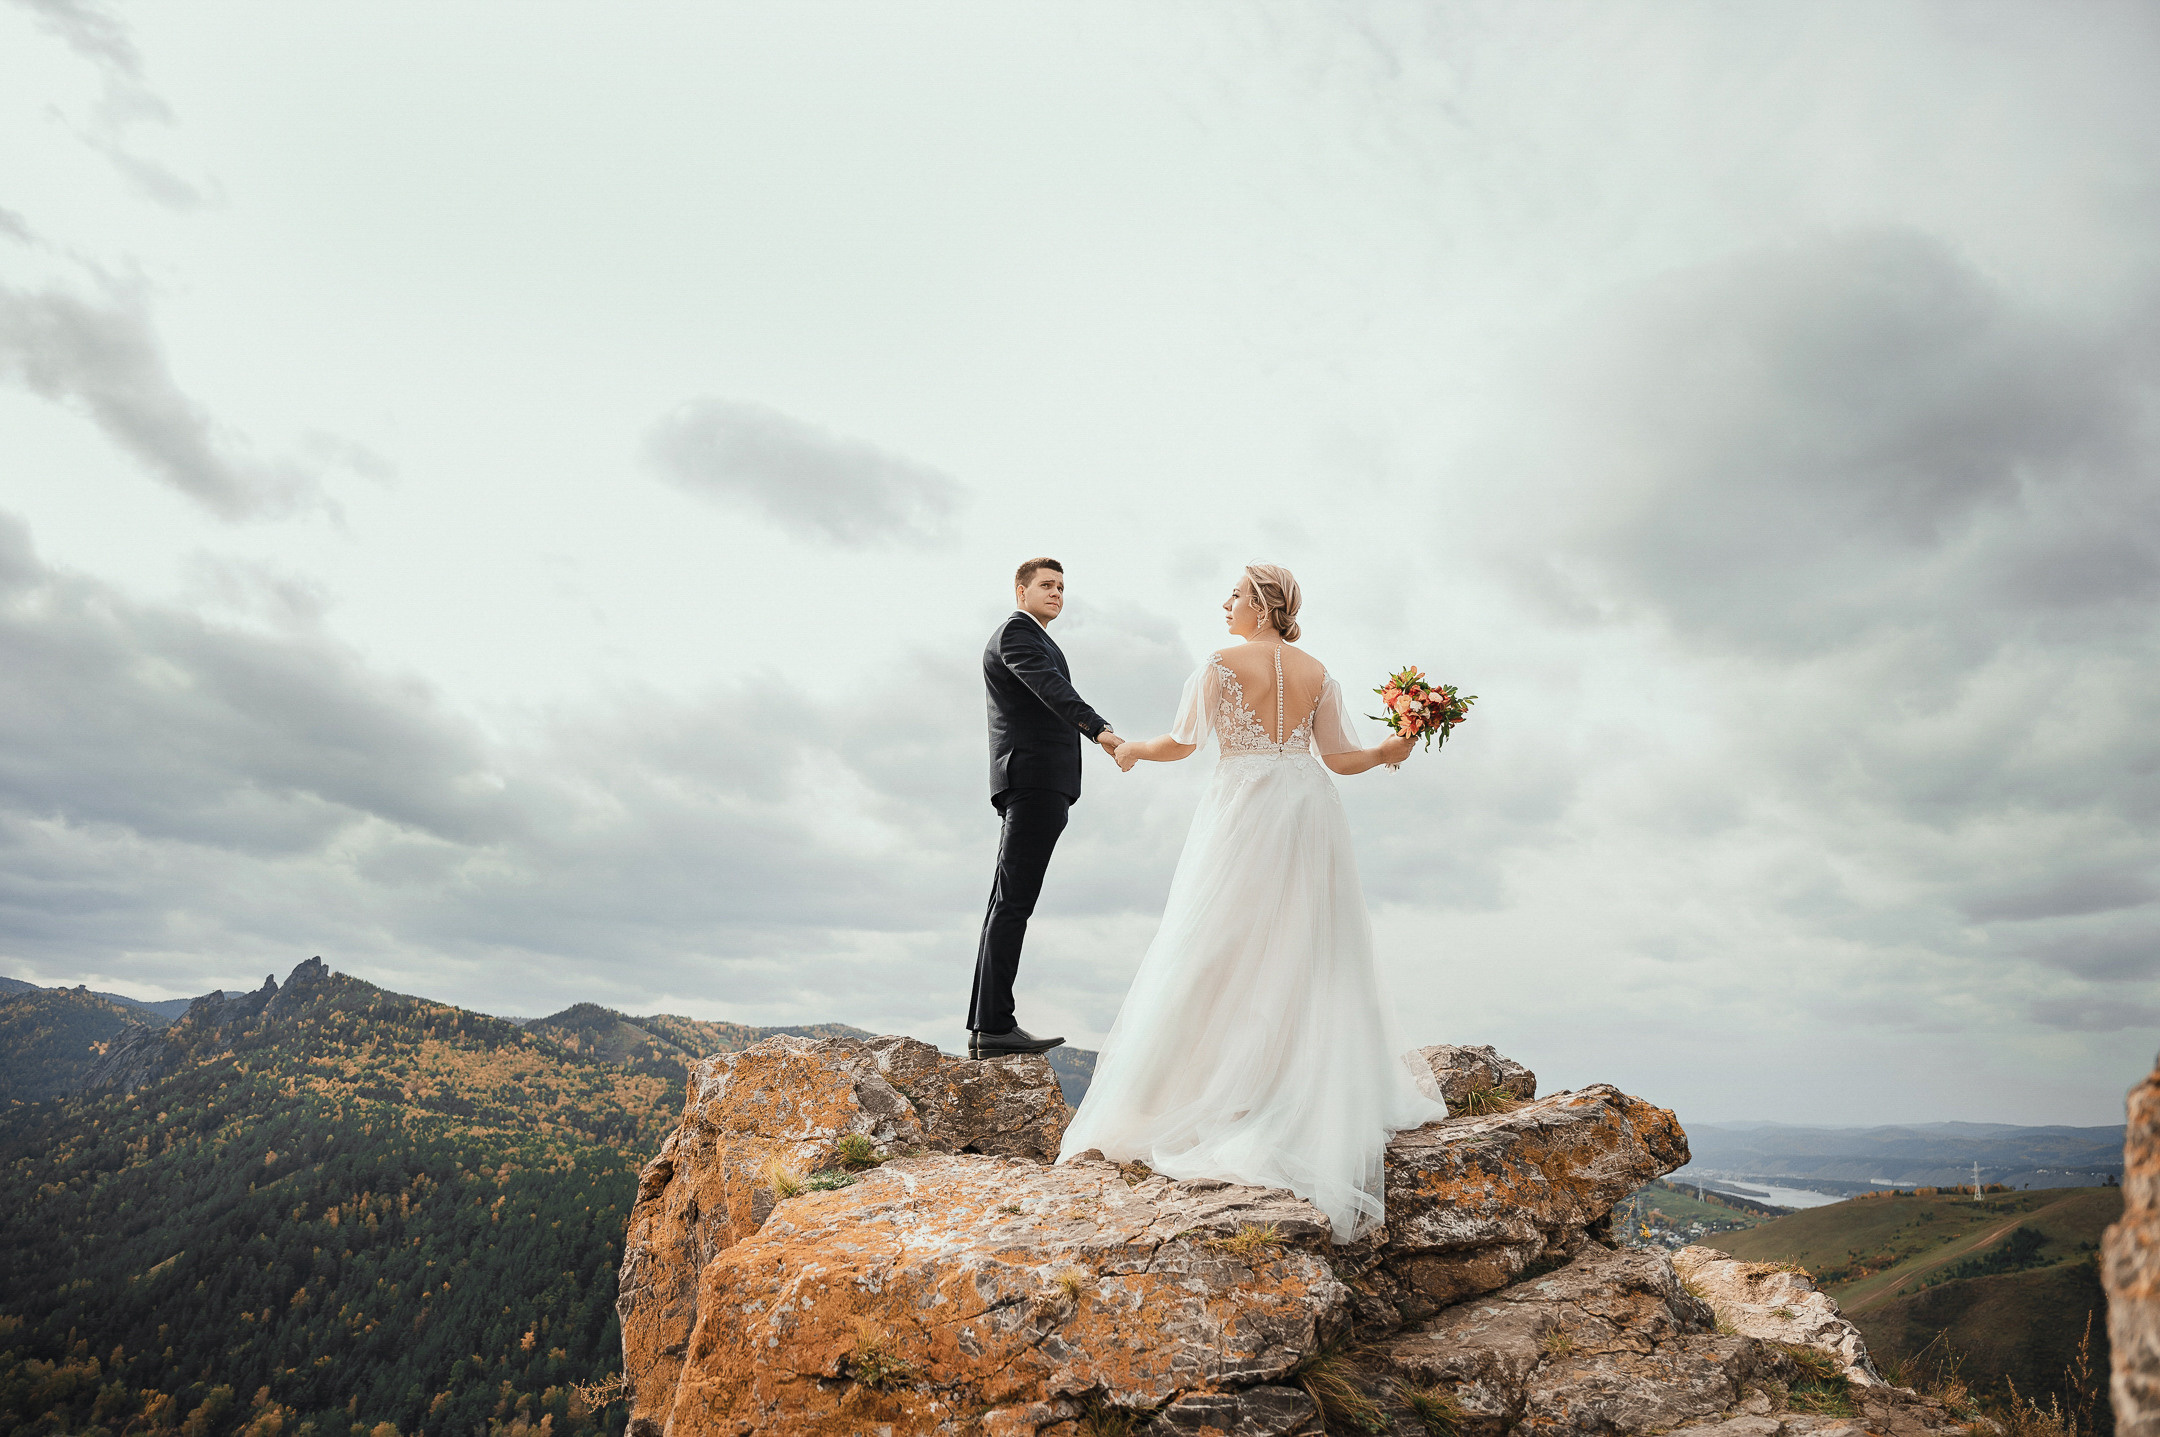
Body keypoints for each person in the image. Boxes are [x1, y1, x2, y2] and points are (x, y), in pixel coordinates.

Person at [1057, 562, 1447, 1242]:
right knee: (1305, 946)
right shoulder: (1319, 672)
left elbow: (1182, 744)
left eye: (1235, 594)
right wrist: (1391, 748)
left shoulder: (1218, 662)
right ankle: (1285, 1081)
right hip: (1307, 808)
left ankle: (1213, 1091)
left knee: (1216, 940)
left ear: (1262, 605)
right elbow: (1342, 759)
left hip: (1243, 808)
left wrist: (1130, 752)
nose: (1225, 603)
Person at [970, 558, 1122, 1059]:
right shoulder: (1018, 636)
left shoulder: (1035, 636)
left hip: (1039, 783)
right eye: (1046, 586)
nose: (1057, 593)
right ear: (1021, 590)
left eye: (1061, 587)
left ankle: (987, 1023)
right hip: (1033, 780)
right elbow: (1051, 689)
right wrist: (1099, 730)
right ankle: (993, 1025)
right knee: (1013, 903)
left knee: (1008, 901)